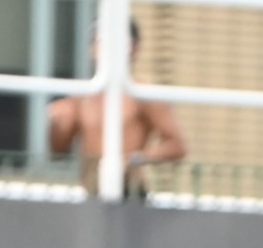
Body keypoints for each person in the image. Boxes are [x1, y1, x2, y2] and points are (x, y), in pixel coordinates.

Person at [47, 19, 187, 197]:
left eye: (116, 41)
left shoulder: (142, 93)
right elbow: (58, 153)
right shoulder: (83, 96)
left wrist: (133, 159)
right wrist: (57, 126)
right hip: (91, 191)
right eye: (99, 42)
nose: (106, 49)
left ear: (133, 47)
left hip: (130, 192)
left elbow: (177, 146)